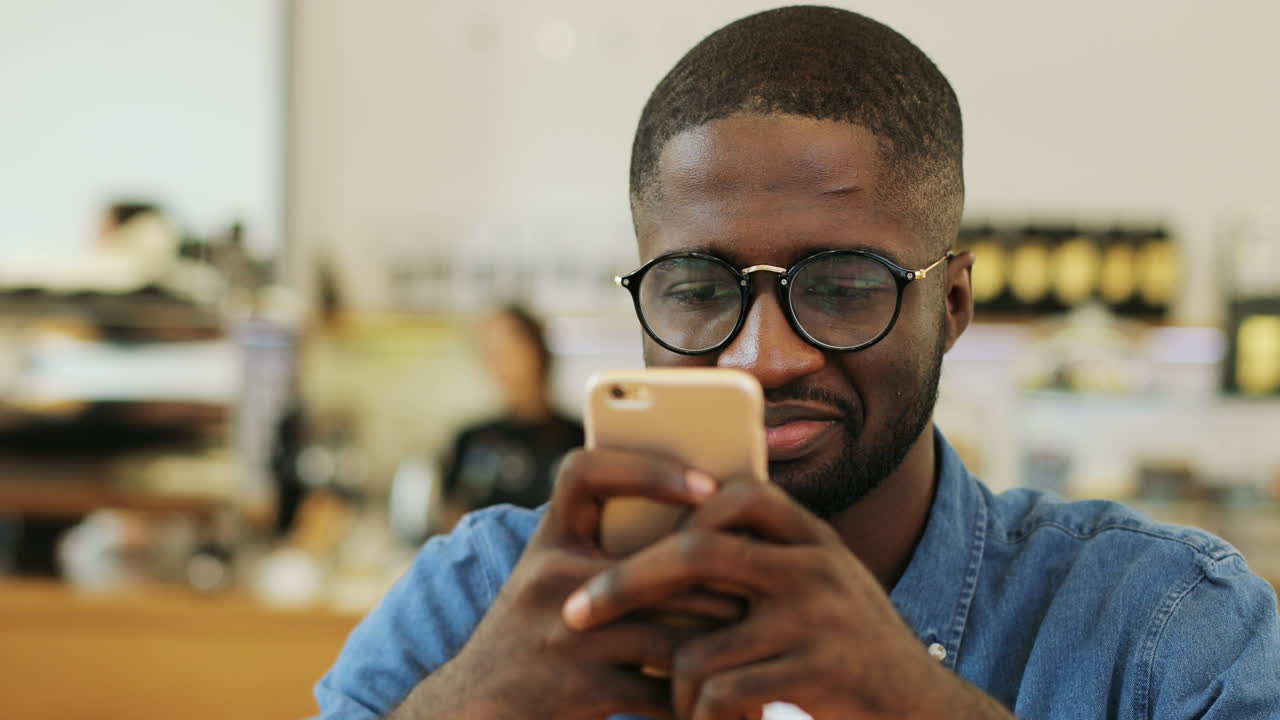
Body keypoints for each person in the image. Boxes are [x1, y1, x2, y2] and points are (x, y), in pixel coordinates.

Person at [316, 7, 1280, 719]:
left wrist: (916, 703)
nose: (763, 357)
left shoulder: (1163, 628)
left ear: (952, 304)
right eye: (697, 288)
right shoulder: (478, 600)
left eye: (842, 283)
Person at [438, 305, 584, 527]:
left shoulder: (580, 438)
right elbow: (453, 519)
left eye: (510, 347)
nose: (500, 361)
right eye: (491, 351)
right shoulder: (471, 439)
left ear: (538, 349)